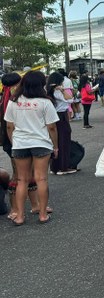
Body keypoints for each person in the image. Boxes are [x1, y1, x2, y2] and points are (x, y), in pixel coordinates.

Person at [3, 71, 58, 226]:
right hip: (41, 143)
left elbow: (9, 126)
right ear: (41, 84)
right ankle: (42, 214)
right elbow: (52, 127)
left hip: (20, 144)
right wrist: (55, 146)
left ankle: (20, 216)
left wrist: (14, 142)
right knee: (41, 179)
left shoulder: (13, 101)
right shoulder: (45, 102)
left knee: (22, 180)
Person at [46, 72, 76, 176]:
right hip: (61, 116)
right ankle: (62, 167)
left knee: (56, 141)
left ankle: (55, 166)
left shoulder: (48, 90)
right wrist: (62, 90)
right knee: (63, 140)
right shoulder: (57, 91)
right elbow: (70, 99)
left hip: (54, 116)